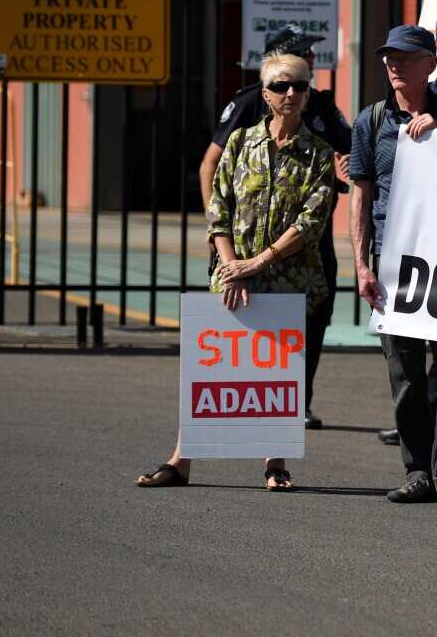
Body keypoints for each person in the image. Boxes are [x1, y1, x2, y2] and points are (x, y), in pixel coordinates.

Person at [136, 52, 336, 491]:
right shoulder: (242, 143)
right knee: (213, 370)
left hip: (288, 279)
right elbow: (218, 207)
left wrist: (259, 262)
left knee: (280, 373)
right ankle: (180, 461)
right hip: (233, 276)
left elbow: (311, 221)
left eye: (300, 87)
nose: (291, 94)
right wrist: (232, 265)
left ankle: (275, 464)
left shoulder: (319, 154)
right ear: (264, 94)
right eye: (282, 86)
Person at [348, 25, 437, 509]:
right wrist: (362, 265)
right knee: (403, 373)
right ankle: (418, 471)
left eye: (405, 57)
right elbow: (361, 194)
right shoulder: (370, 120)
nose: (394, 65)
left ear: (430, 63)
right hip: (394, 264)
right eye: (389, 57)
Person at [200, 24, 352, 431]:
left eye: (301, 83)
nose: (294, 91)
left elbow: (350, 150)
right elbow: (213, 171)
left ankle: (293, 405)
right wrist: (224, 249)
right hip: (242, 247)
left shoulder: (317, 104)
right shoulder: (250, 104)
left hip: (302, 252)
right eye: (303, 52)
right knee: (239, 333)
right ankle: (230, 418)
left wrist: (351, 166)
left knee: (308, 325)